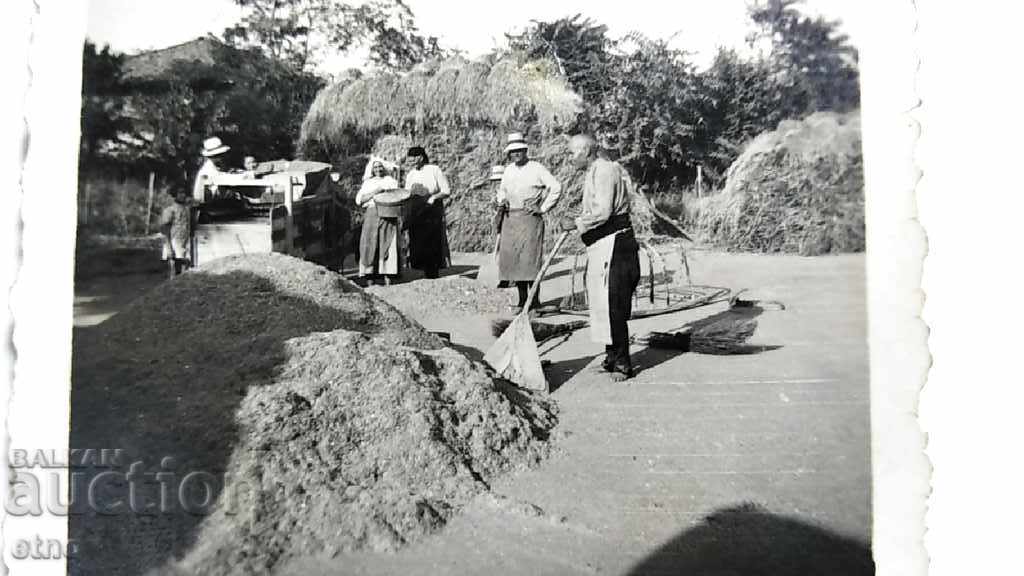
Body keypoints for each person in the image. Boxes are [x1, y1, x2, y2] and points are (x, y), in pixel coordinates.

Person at [559, 134, 641, 381]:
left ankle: (623, 363)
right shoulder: (593, 171)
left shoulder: (605, 170)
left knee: (614, 304)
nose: (570, 157)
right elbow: (595, 208)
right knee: (601, 302)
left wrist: (576, 223)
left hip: (617, 245)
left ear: (587, 151)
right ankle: (611, 356)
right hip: (603, 244)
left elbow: (604, 212)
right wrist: (580, 217)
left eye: (573, 153)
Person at [496, 132, 562, 313]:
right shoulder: (508, 170)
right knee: (515, 261)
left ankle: (534, 302)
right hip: (510, 218)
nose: (516, 154)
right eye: (513, 151)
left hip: (529, 219)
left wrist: (543, 208)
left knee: (529, 261)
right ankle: (522, 300)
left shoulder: (537, 168)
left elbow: (556, 187)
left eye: (519, 150)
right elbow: (501, 190)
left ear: (525, 150)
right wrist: (501, 199)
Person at [403, 146, 451, 279]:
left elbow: (446, 190)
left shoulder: (434, 170)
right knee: (417, 240)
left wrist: (433, 198)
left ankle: (433, 272)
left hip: (432, 208)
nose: (411, 162)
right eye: (409, 159)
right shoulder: (411, 174)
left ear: (420, 157)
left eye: (413, 159)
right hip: (415, 209)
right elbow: (407, 193)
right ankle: (422, 272)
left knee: (432, 240)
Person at [355, 158, 402, 285]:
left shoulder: (391, 181)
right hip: (371, 213)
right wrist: (376, 191)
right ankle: (369, 276)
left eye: (380, 167)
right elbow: (360, 200)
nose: (378, 169)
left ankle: (388, 276)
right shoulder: (368, 183)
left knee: (387, 244)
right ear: (371, 169)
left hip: (388, 214)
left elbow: (397, 196)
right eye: (375, 167)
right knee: (370, 243)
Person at [159, 188, 194, 279]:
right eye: (180, 193)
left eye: (184, 193)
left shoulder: (187, 209)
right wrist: (169, 247)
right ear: (175, 194)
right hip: (174, 244)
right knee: (174, 274)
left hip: (184, 244)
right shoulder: (170, 210)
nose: (182, 195)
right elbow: (164, 229)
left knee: (185, 271)